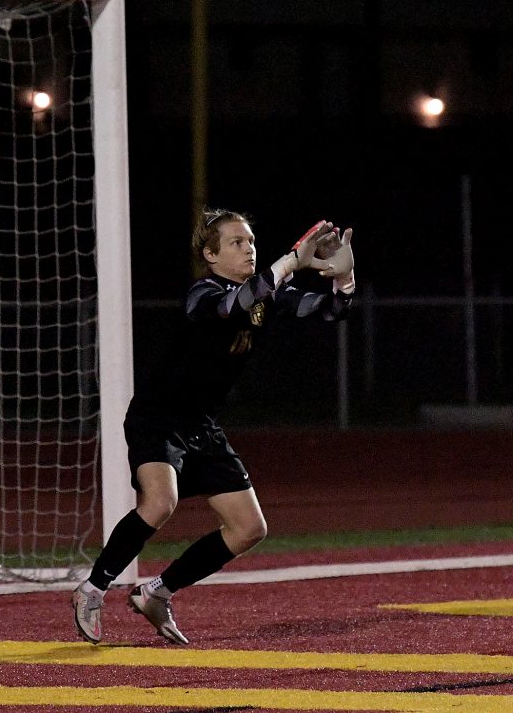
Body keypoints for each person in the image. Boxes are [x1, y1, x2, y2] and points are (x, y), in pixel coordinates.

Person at [71, 208, 355, 645]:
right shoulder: (202, 293)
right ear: (210, 254)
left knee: (249, 528)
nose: (249, 249)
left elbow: (330, 312)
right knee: (160, 502)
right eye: (237, 242)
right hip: (158, 417)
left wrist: (344, 279)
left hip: (200, 426)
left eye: (251, 241)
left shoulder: (266, 296)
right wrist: (288, 262)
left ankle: (157, 592)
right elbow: (231, 306)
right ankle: (92, 589)